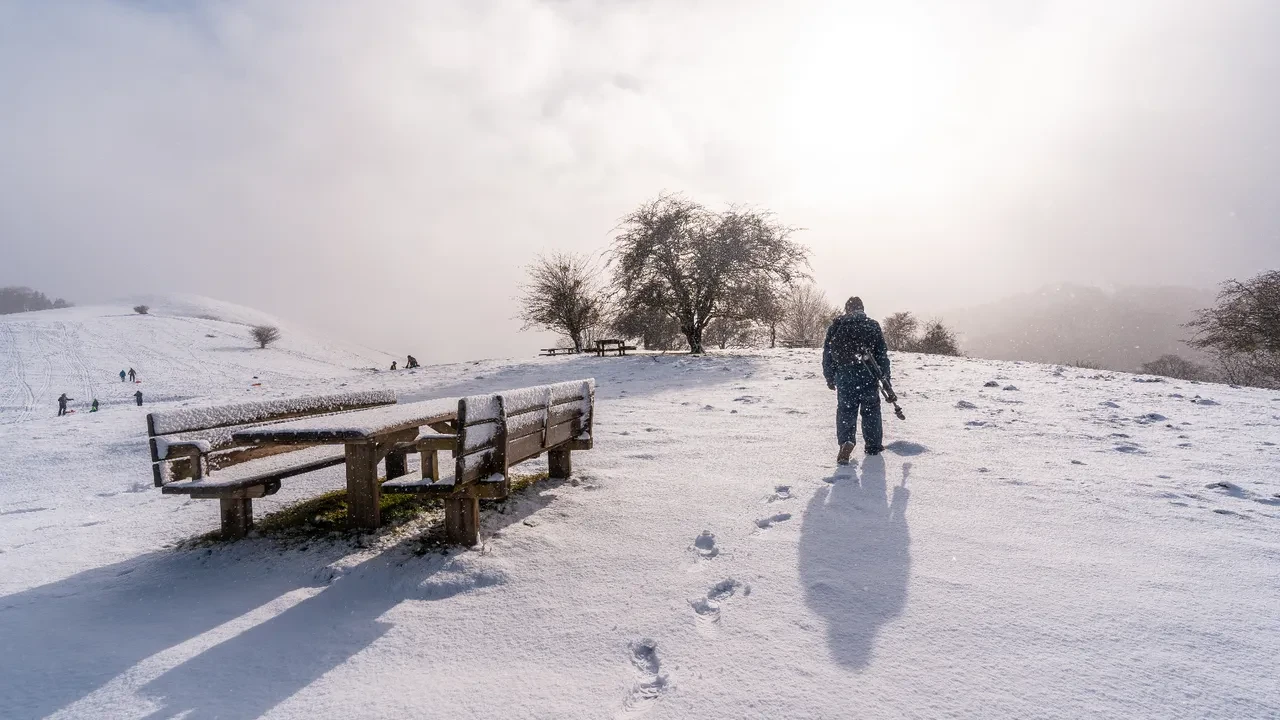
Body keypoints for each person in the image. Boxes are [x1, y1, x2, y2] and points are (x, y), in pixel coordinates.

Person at [822, 296, 892, 464]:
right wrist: (886, 379)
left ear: (847, 309)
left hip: (845, 376)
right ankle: (873, 446)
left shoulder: (837, 326)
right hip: (868, 375)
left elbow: (828, 354)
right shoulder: (872, 326)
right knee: (871, 411)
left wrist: (830, 377)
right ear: (862, 309)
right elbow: (882, 355)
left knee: (846, 411)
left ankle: (846, 440)